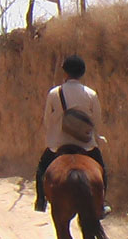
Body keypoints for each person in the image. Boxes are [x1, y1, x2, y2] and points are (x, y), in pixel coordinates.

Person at [34, 55, 111, 216]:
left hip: (59, 144)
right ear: (82, 73)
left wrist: (55, 134)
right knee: (102, 169)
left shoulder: (54, 93)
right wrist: (96, 136)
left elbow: (47, 120)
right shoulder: (91, 94)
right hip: (86, 144)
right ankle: (101, 204)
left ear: (65, 73)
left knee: (41, 169)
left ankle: (41, 200)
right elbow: (96, 121)